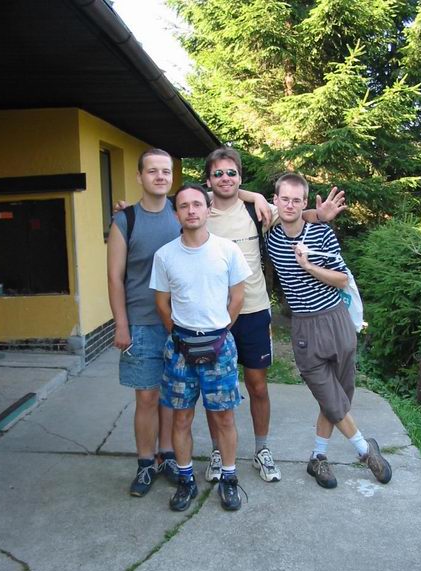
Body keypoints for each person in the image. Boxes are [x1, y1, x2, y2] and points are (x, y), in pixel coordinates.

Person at [203, 147, 346, 484]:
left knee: (258, 386)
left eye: (232, 173)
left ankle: (262, 449)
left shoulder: (258, 210)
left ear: (240, 176)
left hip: (253, 310)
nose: (225, 178)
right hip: (213, 315)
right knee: (215, 389)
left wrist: (319, 214)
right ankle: (217, 451)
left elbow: (295, 213)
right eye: (218, 173)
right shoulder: (200, 209)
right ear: (208, 179)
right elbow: (170, 207)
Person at [266, 173, 392, 488]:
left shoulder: (321, 233)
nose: (290, 205)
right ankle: (365, 450)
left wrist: (309, 266)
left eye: (297, 200)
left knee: (339, 394)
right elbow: (224, 196)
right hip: (304, 327)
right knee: (328, 394)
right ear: (275, 200)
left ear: (304, 202)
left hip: (335, 319)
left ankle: (318, 458)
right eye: (284, 199)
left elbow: (341, 279)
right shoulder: (270, 234)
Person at [151, 184, 252, 511]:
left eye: (197, 204)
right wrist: (181, 336)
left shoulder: (228, 250)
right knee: (181, 419)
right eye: (184, 206)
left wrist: (219, 332)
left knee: (224, 418)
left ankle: (229, 478)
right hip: (180, 349)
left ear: (208, 209)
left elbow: (238, 298)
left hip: (220, 347)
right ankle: (186, 480)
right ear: (176, 213)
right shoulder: (165, 256)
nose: (191, 210)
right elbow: (162, 304)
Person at [107, 148, 181, 497]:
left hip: (179, 324)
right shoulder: (125, 220)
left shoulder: (182, 211)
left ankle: (167, 455)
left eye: (166, 171)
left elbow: (227, 192)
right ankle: (145, 463)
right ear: (139, 176)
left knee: (172, 397)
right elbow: (114, 277)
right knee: (147, 398)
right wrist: (121, 324)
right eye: (152, 171)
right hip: (140, 323)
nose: (160, 176)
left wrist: (256, 196)